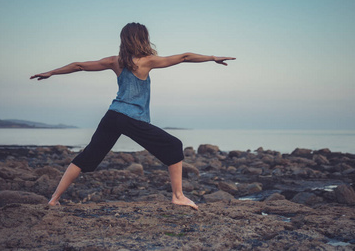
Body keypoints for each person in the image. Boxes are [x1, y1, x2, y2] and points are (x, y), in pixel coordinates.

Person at [30, 22, 235, 210]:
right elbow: (184, 57)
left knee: (87, 156)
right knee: (173, 145)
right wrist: (212, 57)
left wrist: (51, 72)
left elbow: (79, 65)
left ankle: (54, 199)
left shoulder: (114, 61)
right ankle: (178, 196)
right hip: (130, 118)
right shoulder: (146, 61)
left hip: (112, 116)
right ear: (143, 39)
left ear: (124, 40)